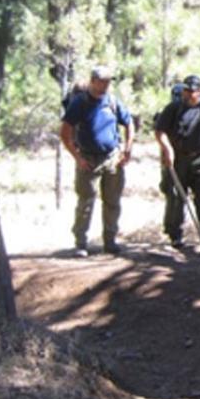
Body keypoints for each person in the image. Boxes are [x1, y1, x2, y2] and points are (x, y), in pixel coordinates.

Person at [60, 64, 134, 257]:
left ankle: (110, 241)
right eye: (103, 81)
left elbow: (129, 123)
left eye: (109, 82)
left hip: (112, 158)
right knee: (85, 202)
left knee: (112, 202)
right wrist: (78, 158)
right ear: (93, 81)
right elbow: (65, 133)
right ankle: (81, 243)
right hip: (87, 158)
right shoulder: (80, 103)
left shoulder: (113, 101)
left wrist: (127, 149)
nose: (106, 85)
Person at [154, 75, 200, 250]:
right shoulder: (173, 108)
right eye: (185, 90)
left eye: (191, 91)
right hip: (178, 159)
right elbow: (159, 131)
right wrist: (167, 149)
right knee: (176, 197)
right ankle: (175, 235)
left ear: (199, 91)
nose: (187, 94)